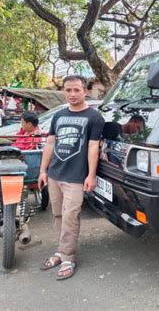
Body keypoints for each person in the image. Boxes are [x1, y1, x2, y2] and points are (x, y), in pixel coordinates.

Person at [38, 75, 104, 280]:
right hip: (55, 174)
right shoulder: (59, 116)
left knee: (70, 216)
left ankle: (68, 257)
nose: (72, 94)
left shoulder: (94, 117)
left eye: (76, 90)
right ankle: (60, 251)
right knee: (58, 214)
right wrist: (42, 170)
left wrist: (91, 175)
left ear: (85, 91)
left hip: (76, 176)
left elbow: (93, 147)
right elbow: (50, 143)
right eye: (68, 90)